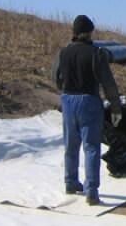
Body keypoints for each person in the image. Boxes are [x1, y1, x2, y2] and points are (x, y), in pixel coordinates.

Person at [51, 15, 121, 206]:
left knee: (70, 145)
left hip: (67, 99)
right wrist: (115, 107)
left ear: (73, 32)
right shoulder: (96, 53)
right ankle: (91, 191)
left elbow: (54, 76)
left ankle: (71, 182)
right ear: (90, 32)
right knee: (91, 147)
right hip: (89, 101)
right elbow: (108, 83)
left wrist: (65, 88)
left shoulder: (63, 52)